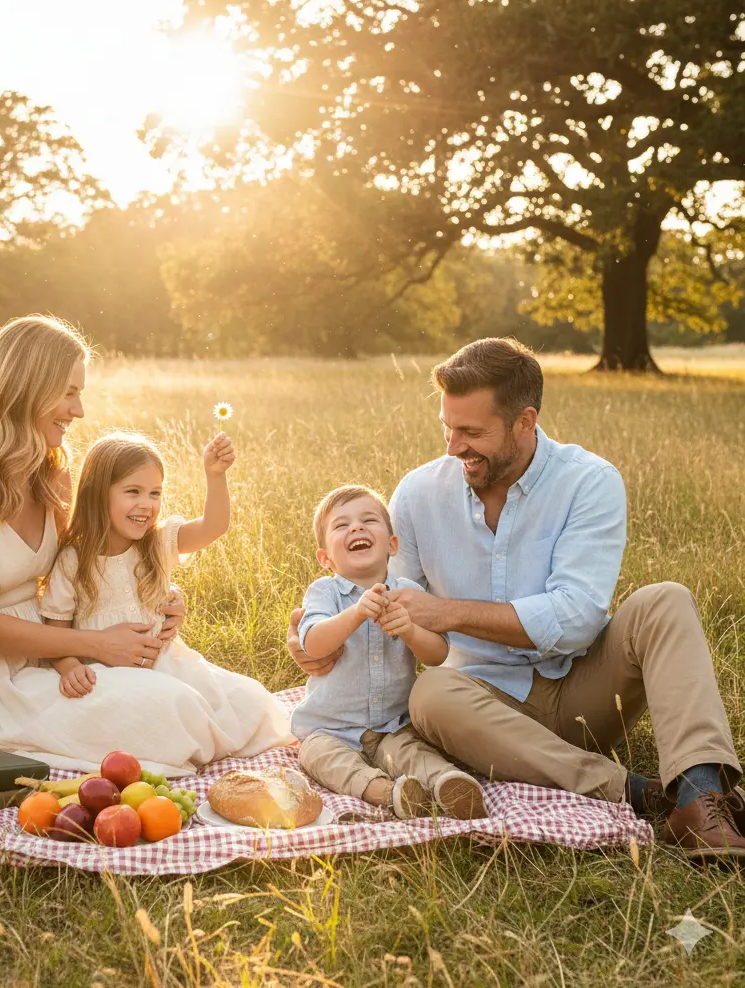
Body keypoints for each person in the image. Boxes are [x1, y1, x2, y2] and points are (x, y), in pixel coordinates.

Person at [288, 338, 744, 859]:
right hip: (479, 706)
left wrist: (450, 612)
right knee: (430, 694)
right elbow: (385, 600)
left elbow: (575, 619)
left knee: (666, 600)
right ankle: (640, 792)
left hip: (584, 689)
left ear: (525, 422)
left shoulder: (589, 482)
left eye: (472, 432)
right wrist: (308, 632)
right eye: (448, 427)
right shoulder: (417, 493)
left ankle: (701, 792)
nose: (454, 446)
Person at [0, 315, 261, 774]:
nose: (79, 411)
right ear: (27, 387)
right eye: (69, 392)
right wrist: (97, 645)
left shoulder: (50, 470)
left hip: (51, 653)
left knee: (240, 700)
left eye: (81, 393)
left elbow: (87, 565)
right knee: (174, 708)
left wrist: (157, 599)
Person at [38, 432, 291, 765]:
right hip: (112, 679)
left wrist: (215, 476)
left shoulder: (156, 543)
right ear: (98, 495)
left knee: (251, 700)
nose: (147, 504)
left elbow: (213, 527)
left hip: (171, 664)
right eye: (133, 492)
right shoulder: (74, 560)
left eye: (155, 493)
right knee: (170, 712)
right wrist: (69, 666)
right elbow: (57, 632)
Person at [291, 485, 488, 820]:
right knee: (318, 756)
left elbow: (437, 654)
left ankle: (448, 784)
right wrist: (355, 614)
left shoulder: (408, 593)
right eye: (342, 525)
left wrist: (410, 630)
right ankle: (386, 792)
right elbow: (314, 642)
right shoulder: (324, 592)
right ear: (325, 558)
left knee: (412, 753)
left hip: (393, 725)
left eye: (369, 520)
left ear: (392, 545)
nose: (356, 527)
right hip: (331, 727)